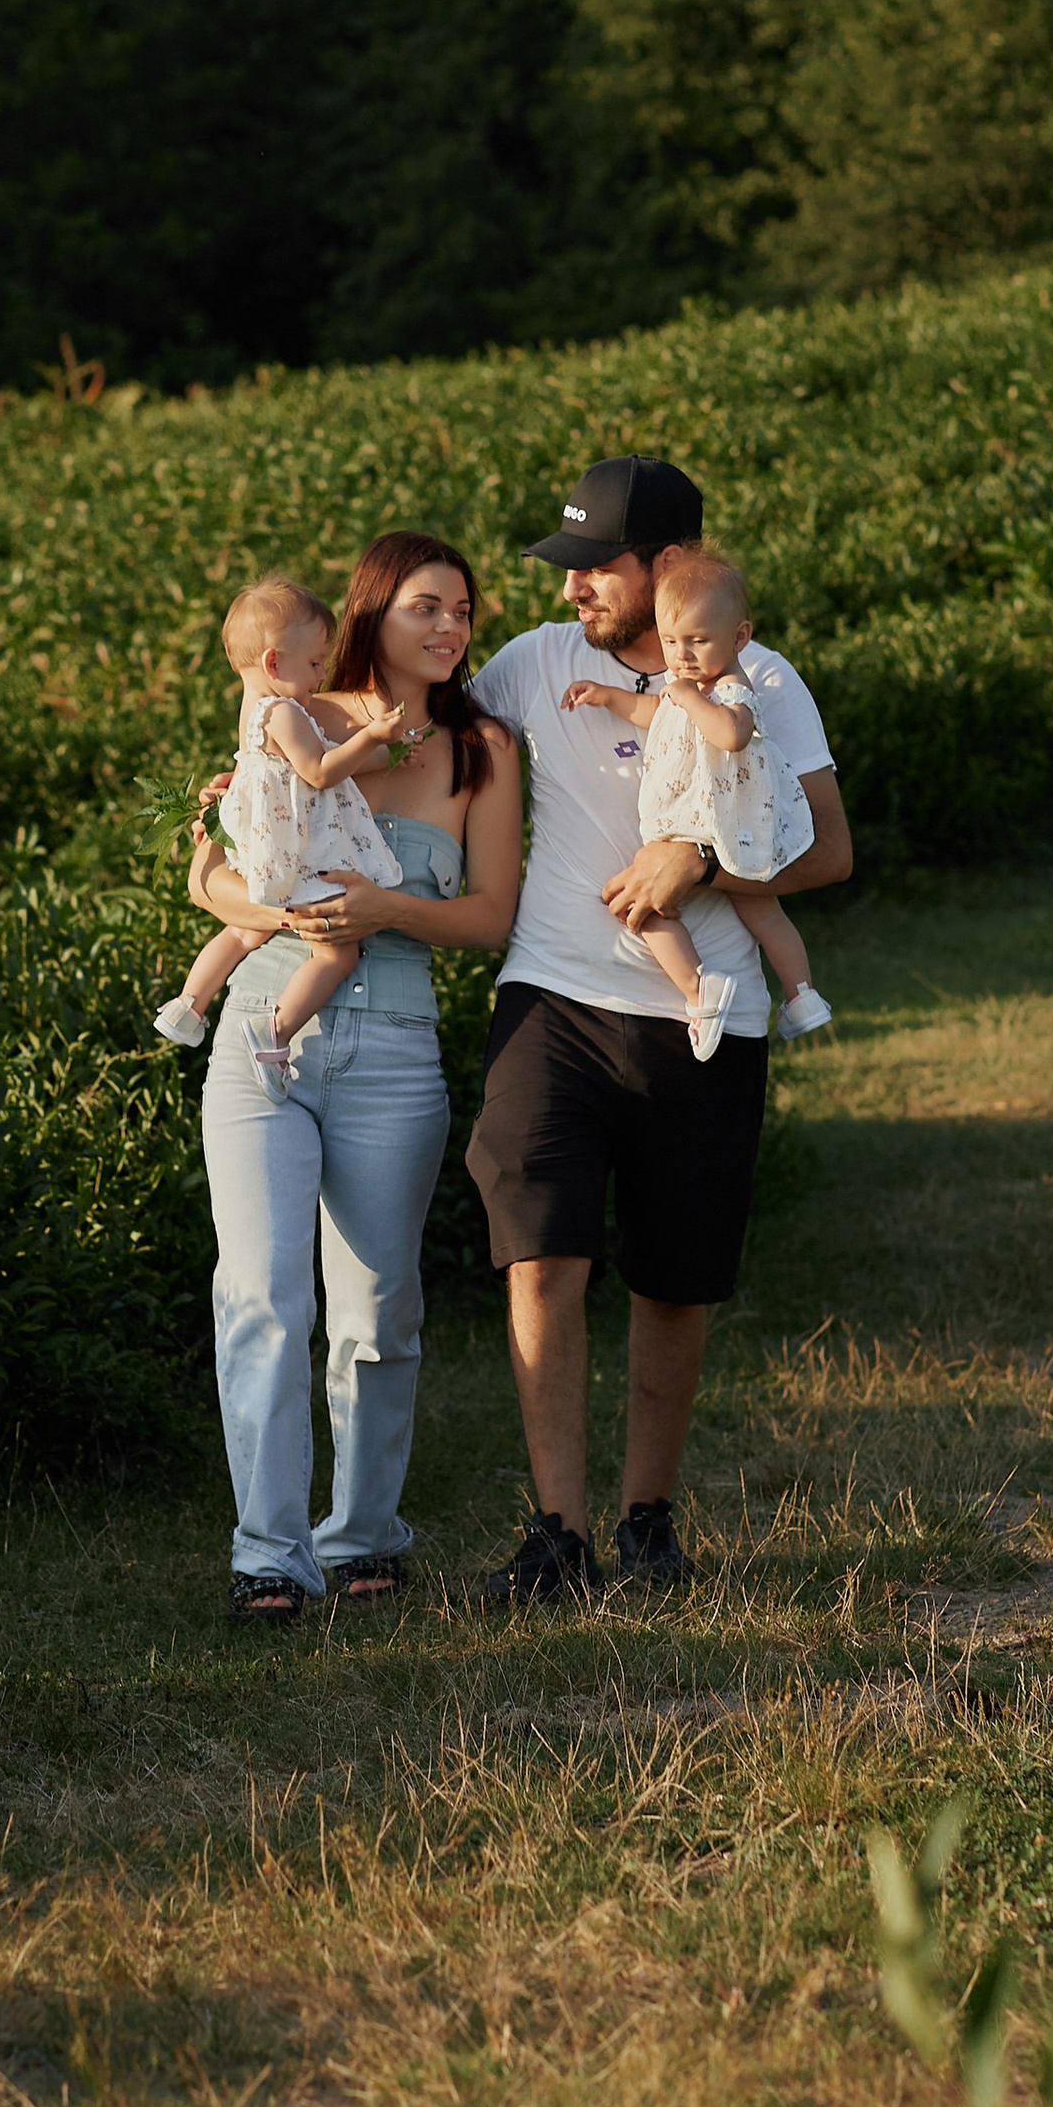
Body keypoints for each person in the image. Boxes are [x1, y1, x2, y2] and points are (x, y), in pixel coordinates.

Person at [466, 454, 851, 1602]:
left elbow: (829, 851)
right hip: (551, 998)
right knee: (540, 1255)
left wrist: (702, 866)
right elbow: (423, 744)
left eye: (597, 566)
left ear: (666, 564)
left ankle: (647, 1523)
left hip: (703, 1019)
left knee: (673, 1284)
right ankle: (556, 1535)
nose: (572, 587)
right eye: (567, 566)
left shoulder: (760, 680)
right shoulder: (534, 662)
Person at [183, 532, 522, 1622]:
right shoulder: (294, 711)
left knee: (379, 1311)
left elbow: (491, 916)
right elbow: (223, 874)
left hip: (393, 1054)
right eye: (427, 606)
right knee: (261, 1298)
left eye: (462, 610)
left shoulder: (482, 749)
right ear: (372, 611)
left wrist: (386, 910)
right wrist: (243, 896)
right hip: (263, 1034)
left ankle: (364, 1532)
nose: (450, 627)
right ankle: (267, 1555)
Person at [559, 546, 831, 1061]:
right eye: (670, 642)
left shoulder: (731, 686)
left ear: (739, 638)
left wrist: (688, 697)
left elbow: (732, 734)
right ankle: (781, 995)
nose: (681, 656)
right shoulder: (686, 684)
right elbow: (653, 711)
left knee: (648, 905)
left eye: (697, 641)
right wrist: (608, 696)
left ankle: (751, 991)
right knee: (743, 909)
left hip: (709, 821)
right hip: (703, 820)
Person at [153, 575, 406, 1086]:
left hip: (265, 843)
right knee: (338, 952)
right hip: (296, 849)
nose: (321, 675)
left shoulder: (256, 708)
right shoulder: (284, 713)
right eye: (314, 664)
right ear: (274, 663)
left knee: (245, 929)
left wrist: (389, 751)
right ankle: (275, 1032)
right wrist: (374, 736)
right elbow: (321, 771)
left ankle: (189, 1002)